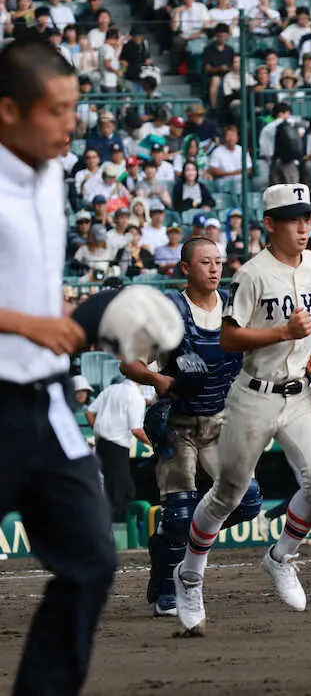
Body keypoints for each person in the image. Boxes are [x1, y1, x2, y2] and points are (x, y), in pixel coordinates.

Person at [0, 38, 167, 694]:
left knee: (93, 562)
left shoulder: (50, 172)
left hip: (44, 404)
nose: (72, 122)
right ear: (8, 109)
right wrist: (27, 323)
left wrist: (87, 312)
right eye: (56, 110)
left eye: (75, 107)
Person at [173, 184, 311, 634]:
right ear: (270, 224)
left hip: (300, 394)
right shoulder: (252, 274)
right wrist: (284, 332)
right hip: (254, 396)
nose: (303, 226)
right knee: (228, 492)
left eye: (308, 217)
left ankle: (281, 556)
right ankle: (189, 575)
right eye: (292, 218)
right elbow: (229, 337)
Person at [120, 237, 264, 617]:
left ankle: (175, 540)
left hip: (222, 421)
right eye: (205, 262)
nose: (215, 269)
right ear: (186, 268)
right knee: (180, 513)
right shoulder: (169, 313)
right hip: (176, 422)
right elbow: (128, 362)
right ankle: (168, 582)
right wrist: (159, 381)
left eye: (219, 261)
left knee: (247, 501)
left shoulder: (236, 310)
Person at [86, 371, 150, 534]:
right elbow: (136, 430)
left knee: (114, 488)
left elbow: (89, 412)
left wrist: (99, 431)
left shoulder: (110, 390)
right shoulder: (136, 397)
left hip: (102, 444)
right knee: (121, 491)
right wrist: (153, 443)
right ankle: (114, 532)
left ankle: (108, 529)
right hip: (117, 445)